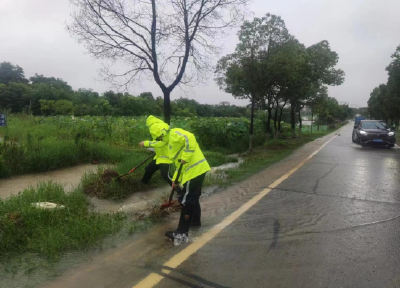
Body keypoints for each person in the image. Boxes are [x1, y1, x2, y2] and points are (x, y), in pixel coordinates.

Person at [162, 126, 211, 246]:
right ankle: (195, 222)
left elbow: (190, 137)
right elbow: (181, 165)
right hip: (198, 170)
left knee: (186, 200)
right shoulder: (173, 144)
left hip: (194, 171)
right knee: (193, 198)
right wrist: (175, 179)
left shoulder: (174, 133)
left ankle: (181, 234)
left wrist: (186, 157)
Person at [139, 116, 173, 186]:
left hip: (166, 158)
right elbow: (157, 142)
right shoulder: (156, 129)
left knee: (166, 176)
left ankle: (179, 190)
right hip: (159, 157)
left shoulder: (159, 128)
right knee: (148, 169)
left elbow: (163, 142)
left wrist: (146, 143)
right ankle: (143, 182)